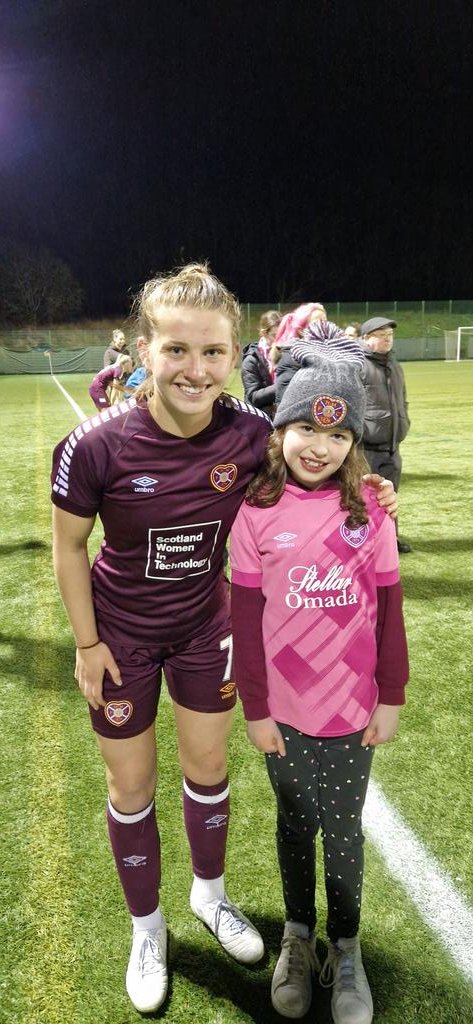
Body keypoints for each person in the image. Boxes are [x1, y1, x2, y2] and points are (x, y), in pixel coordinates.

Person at [51, 263, 397, 1016]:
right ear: (145, 349)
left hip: (206, 633)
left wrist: (369, 489)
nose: (195, 368)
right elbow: (70, 546)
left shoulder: (248, 432)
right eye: (176, 350)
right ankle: (149, 930)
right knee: (130, 786)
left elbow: (312, 473)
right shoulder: (96, 446)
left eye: (212, 352)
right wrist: (86, 644)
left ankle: (209, 896)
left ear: (232, 351)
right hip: (122, 638)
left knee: (208, 768)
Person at [230, 334, 408, 1023]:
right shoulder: (255, 511)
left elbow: (389, 610)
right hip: (283, 709)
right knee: (293, 824)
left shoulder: (368, 507)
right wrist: (255, 708)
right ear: (279, 429)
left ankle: (346, 946)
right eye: (305, 426)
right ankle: (297, 938)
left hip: (351, 709)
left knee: (344, 832)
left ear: (352, 442)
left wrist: (388, 694)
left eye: (336, 433)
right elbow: (245, 621)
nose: (318, 445)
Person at [360, 317, 411, 554]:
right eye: (380, 334)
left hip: (392, 446)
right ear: (366, 339)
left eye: (389, 334)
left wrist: (404, 421)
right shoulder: (359, 365)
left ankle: (391, 539)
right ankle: (365, 542)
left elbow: (403, 399)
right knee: (366, 497)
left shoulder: (394, 364)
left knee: (391, 497)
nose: (387, 338)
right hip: (366, 447)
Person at [274, 303, 327, 404]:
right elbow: (286, 402)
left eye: (325, 322)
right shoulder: (291, 358)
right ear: (301, 331)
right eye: (319, 323)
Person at [240, 309, 281, 417]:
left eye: (281, 335)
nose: (279, 340)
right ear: (264, 333)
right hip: (260, 420)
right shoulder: (251, 360)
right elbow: (254, 397)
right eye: (274, 335)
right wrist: (283, 385)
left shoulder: (287, 354)